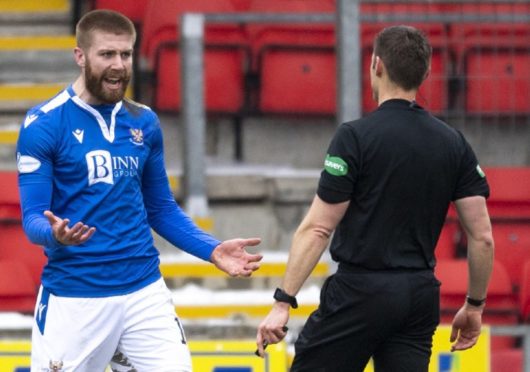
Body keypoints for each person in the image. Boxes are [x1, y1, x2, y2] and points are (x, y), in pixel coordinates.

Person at [16, 9, 263, 372]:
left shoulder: (143, 122)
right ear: (80, 56)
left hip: (143, 290)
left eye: (126, 54)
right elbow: (32, 218)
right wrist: (55, 235)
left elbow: (160, 209)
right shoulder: (44, 124)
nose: (118, 65)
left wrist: (211, 249)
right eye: (107, 55)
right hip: (75, 296)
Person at [256, 25, 494, 371]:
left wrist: (283, 301)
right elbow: (482, 237)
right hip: (418, 296)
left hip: (360, 291)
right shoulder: (452, 143)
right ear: (425, 73)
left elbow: (318, 229)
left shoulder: (354, 137)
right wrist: (474, 305)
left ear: (376, 65)